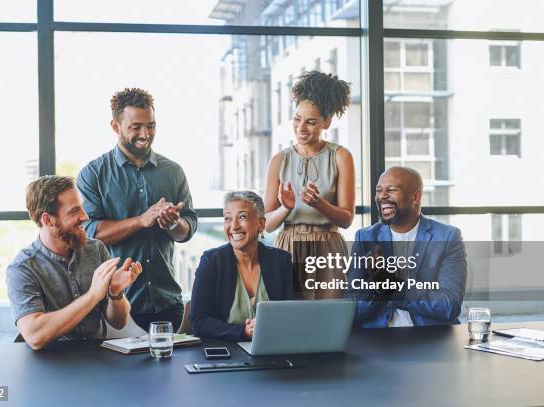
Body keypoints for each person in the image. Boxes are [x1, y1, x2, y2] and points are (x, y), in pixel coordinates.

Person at [77, 88, 197, 333]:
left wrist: (173, 223)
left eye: (151, 126)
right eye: (136, 127)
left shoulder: (173, 171)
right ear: (115, 126)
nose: (145, 134)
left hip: (167, 301)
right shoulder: (93, 174)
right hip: (115, 304)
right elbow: (89, 234)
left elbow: (188, 228)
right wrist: (141, 221)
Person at [7, 176, 142, 350]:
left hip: (95, 358)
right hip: (49, 364)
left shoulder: (96, 249)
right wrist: (93, 295)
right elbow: (35, 336)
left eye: (82, 208)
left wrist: (115, 293)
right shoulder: (22, 268)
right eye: (74, 211)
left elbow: (119, 322)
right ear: (48, 220)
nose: (85, 216)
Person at [264, 71, 355, 299]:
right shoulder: (278, 160)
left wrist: (319, 203)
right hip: (288, 246)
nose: (301, 128)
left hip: (328, 246)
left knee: (329, 321)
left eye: (311, 122)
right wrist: (286, 207)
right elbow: (266, 224)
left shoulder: (341, 156)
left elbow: (346, 219)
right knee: (291, 321)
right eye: (297, 119)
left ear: (326, 122)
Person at [347, 166, 467, 327]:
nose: (382, 196)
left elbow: (449, 306)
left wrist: (397, 287)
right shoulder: (365, 238)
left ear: (415, 197)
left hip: (431, 337)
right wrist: (379, 289)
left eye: (391, 190)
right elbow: (351, 307)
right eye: (379, 190)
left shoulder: (447, 237)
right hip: (377, 337)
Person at [190, 191, 293, 341]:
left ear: (261, 224)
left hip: (273, 349)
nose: (234, 226)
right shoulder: (211, 262)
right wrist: (243, 331)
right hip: (225, 355)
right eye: (228, 218)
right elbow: (198, 322)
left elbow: (294, 315)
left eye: (242, 217)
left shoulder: (281, 261)